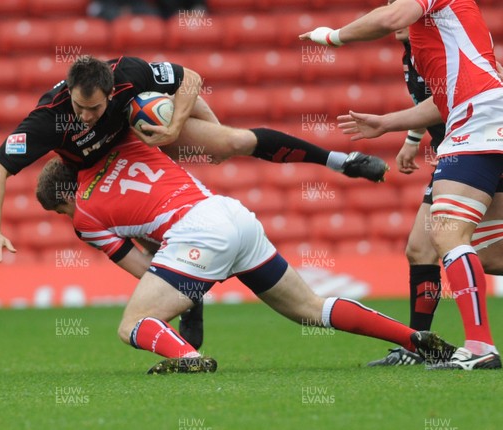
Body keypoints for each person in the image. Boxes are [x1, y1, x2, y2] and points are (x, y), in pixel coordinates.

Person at [35, 131, 456, 374]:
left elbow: (143, 268)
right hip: (230, 213)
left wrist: (190, 293)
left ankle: (188, 357)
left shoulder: (84, 217)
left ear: (64, 196)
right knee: (310, 307)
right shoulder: (130, 145)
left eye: (60, 210)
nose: (66, 216)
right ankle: (413, 339)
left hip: (195, 236)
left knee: (131, 324)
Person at [0, 55, 388, 272]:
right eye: (79, 106)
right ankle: (185, 301)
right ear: (68, 91)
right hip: (92, 168)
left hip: (138, 132)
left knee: (231, 141)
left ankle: (341, 160)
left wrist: (177, 125)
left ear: (110, 91)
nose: (85, 115)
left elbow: (189, 77)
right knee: (130, 230)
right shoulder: (48, 120)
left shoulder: (129, 72)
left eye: (94, 107)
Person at [301, 0, 503, 369]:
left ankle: (479, 347)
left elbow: (392, 17)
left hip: (478, 124)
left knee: (446, 235)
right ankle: (443, 345)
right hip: (479, 122)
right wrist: (388, 126)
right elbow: (445, 100)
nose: (394, 6)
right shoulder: (429, 43)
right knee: (489, 254)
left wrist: (332, 36)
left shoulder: (431, 13)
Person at [366, 11, 503, 366]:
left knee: (443, 241)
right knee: (434, 249)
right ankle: (419, 345)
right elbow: (440, 102)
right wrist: (412, 139)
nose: (398, 13)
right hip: (459, 151)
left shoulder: (441, 44)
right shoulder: (416, 52)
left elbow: (458, 94)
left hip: (474, 148)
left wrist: (388, 125)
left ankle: (458, 346)